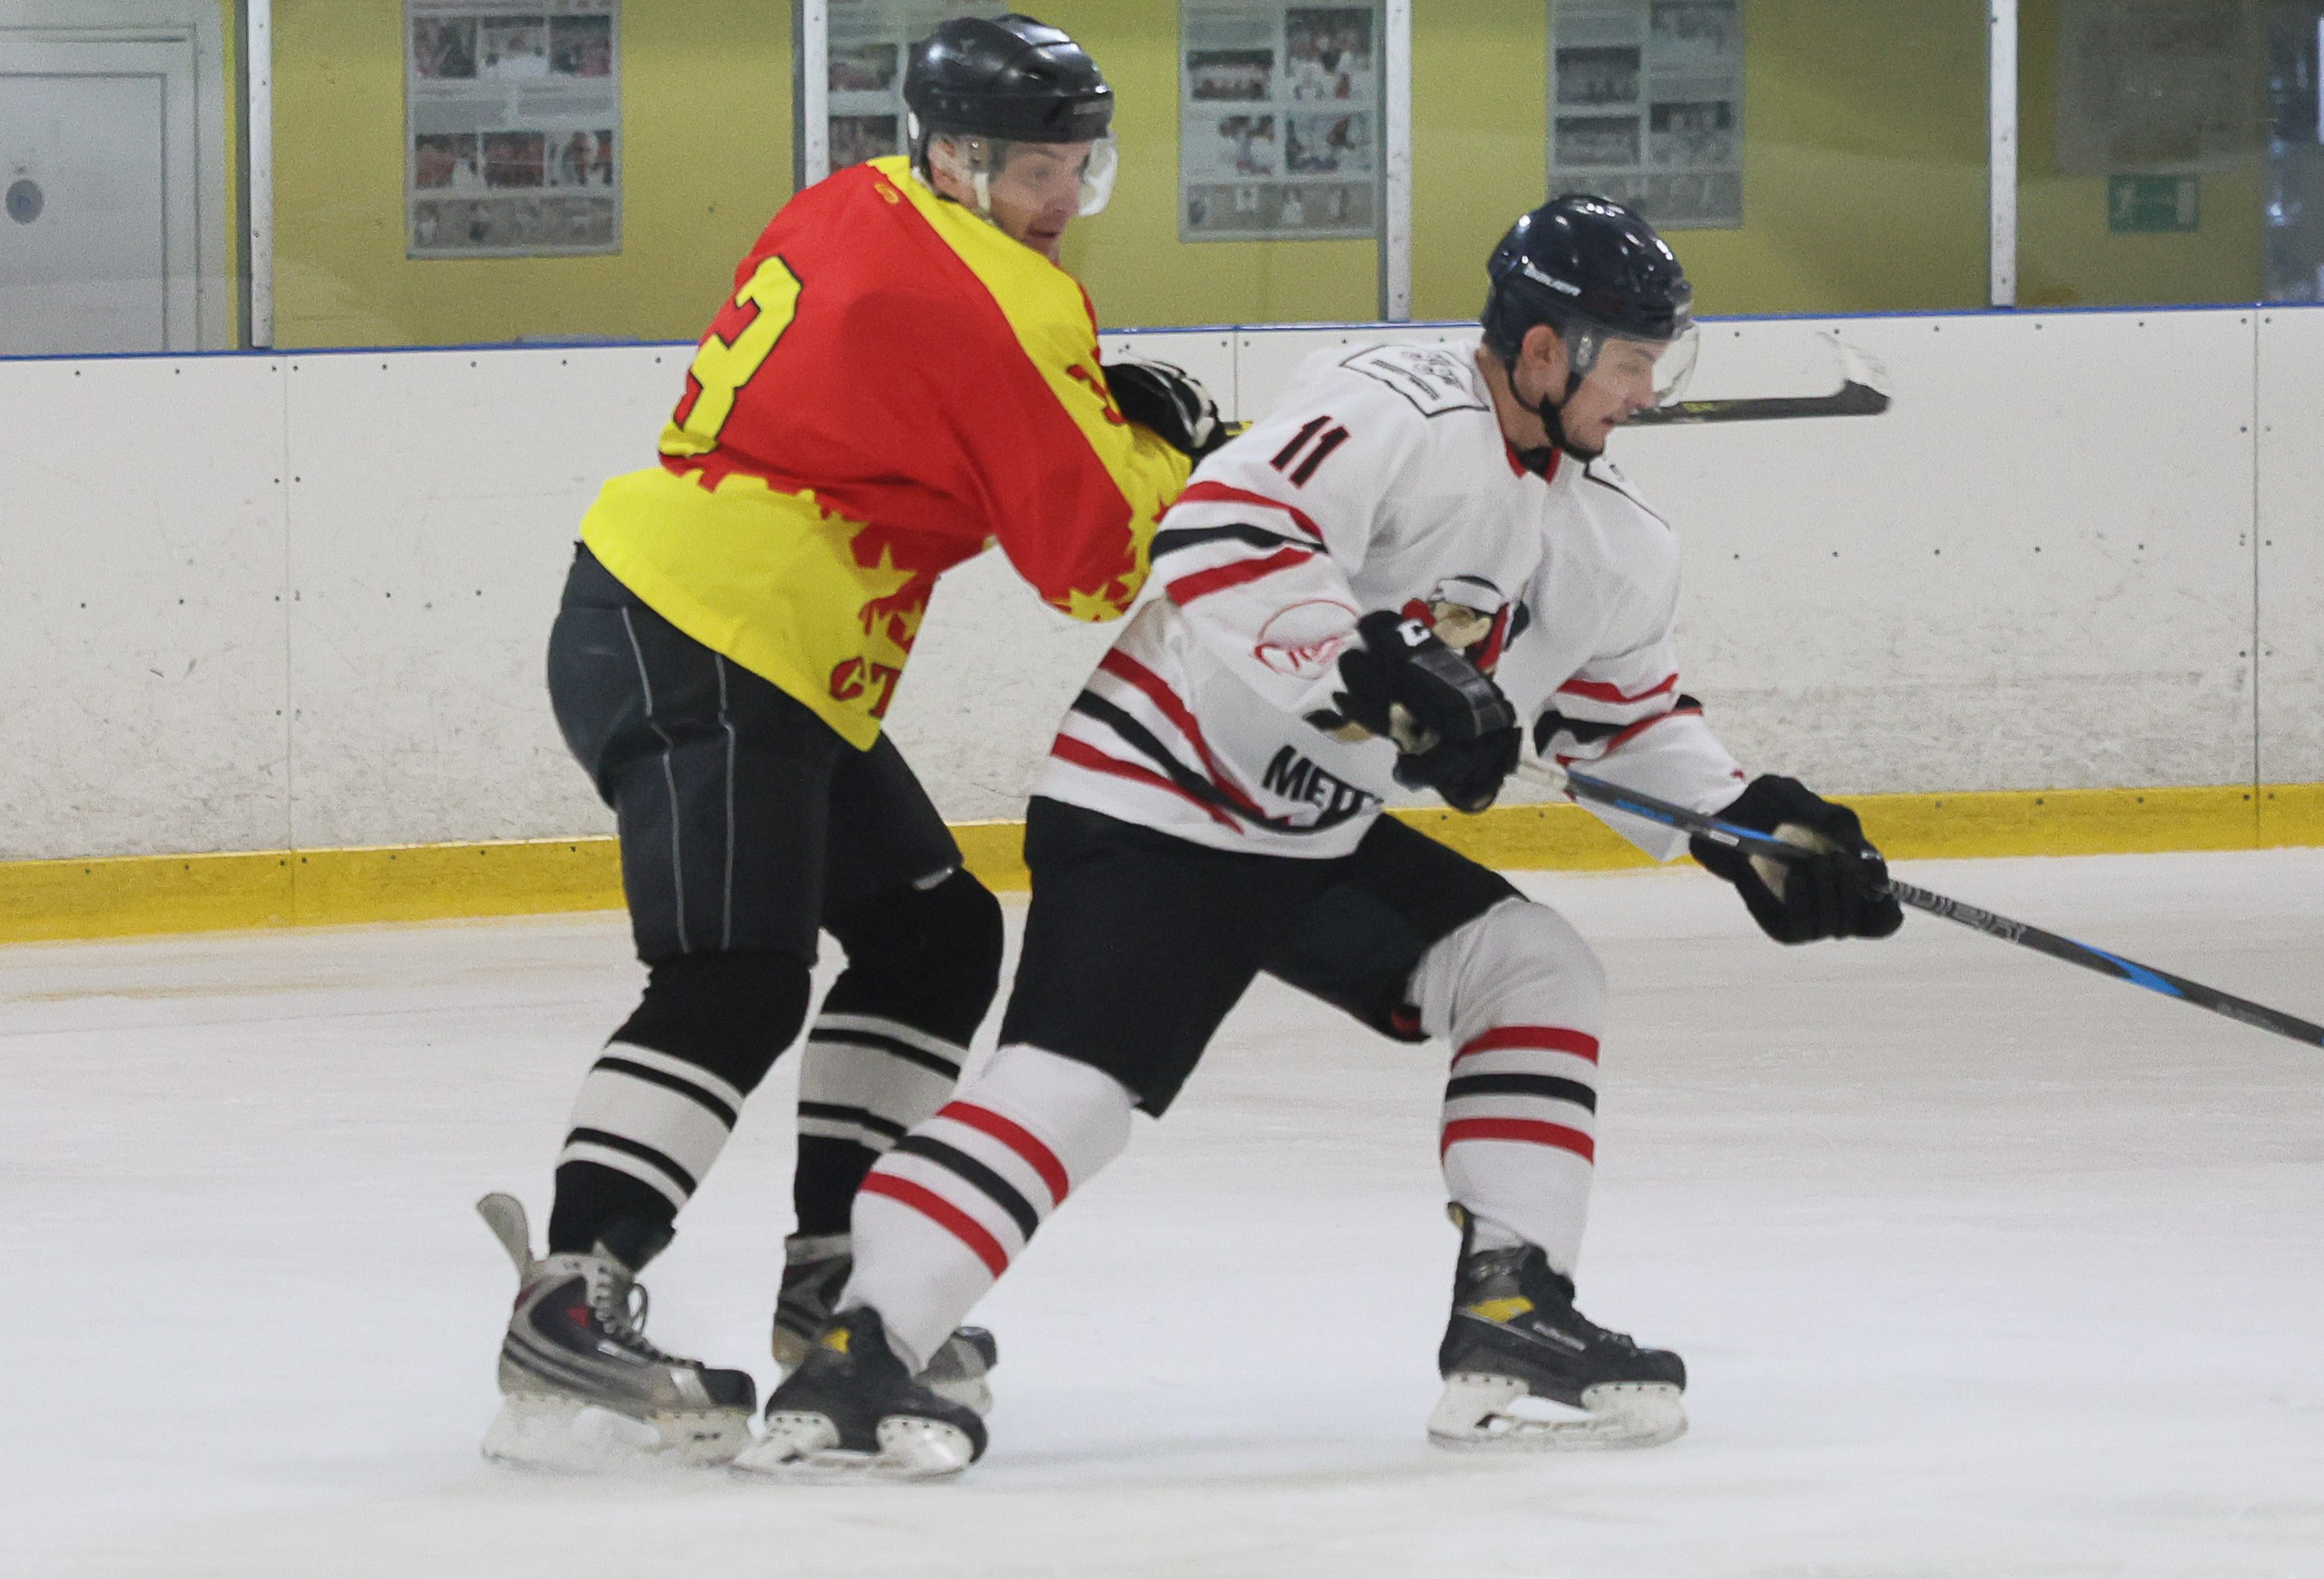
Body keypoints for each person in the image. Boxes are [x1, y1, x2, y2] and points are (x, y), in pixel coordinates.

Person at [744, 195, 1904, 1479]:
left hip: (1315, 836)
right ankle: (857, 1356)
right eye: (1631, 360)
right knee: (1072, 1094)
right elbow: (1221, 531)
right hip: (1160, 800)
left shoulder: (1614, 536)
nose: (1646, 391)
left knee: (1537, 969)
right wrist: (1363, 664)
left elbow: (1613, 722)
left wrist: (1747, 824)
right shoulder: (1387, 404)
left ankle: (1513, 1312)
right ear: (1541, 352)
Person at [476, 14, 1223, 1470]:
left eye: (1083, 169)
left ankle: (838, 1280)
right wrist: (1168, 452)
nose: (1064, 202)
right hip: (718, 632)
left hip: (722, 634)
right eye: (1038, 172)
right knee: (733, 982)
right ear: (954, 154)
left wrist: (1087, 419)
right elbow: (1092, 560)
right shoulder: (998, 289)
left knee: (933, 939)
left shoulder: (854, 204)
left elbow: (921, 410)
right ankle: (572, 1296)